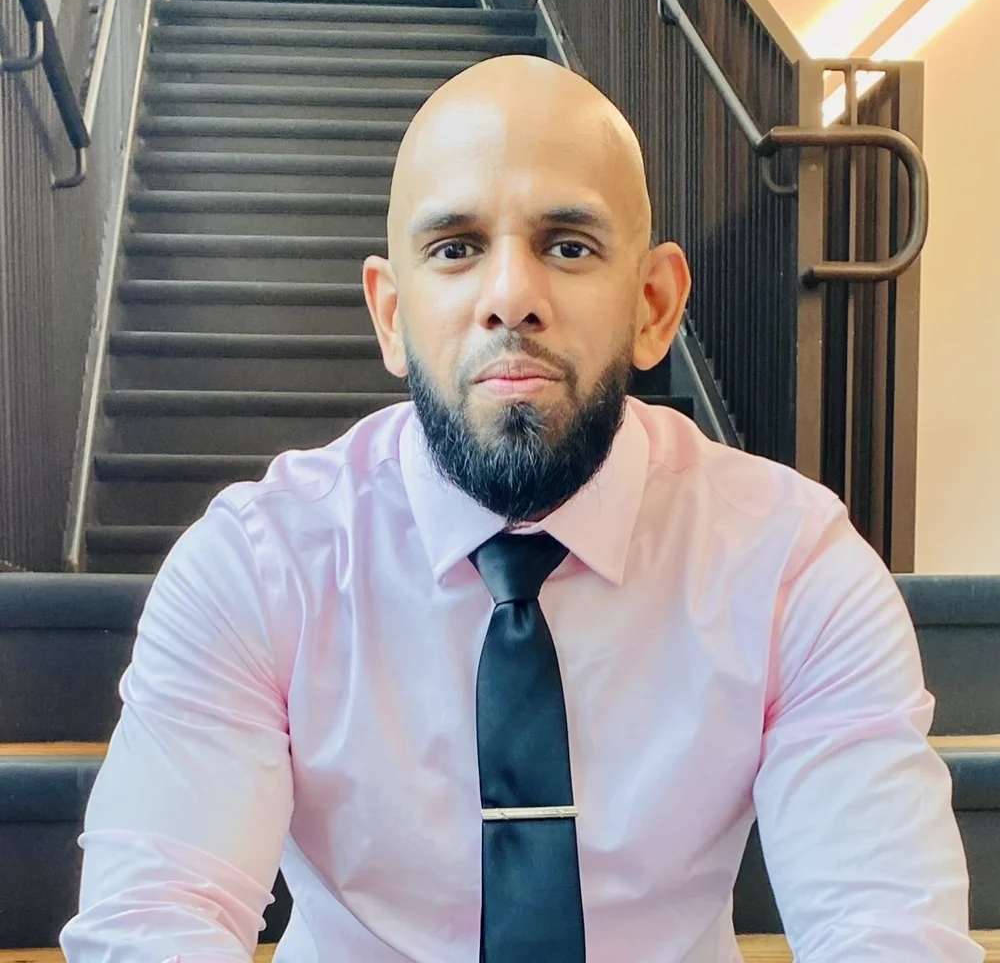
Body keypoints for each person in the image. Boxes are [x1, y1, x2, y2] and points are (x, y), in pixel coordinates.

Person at [61, 55, 980, 962]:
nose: (510, 299)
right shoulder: (257, 567)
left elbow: (886, 925)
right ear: (391, 315)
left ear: (654, 306)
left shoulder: (791, 565)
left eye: (568, 246)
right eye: (455, 249)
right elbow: (152, 915)